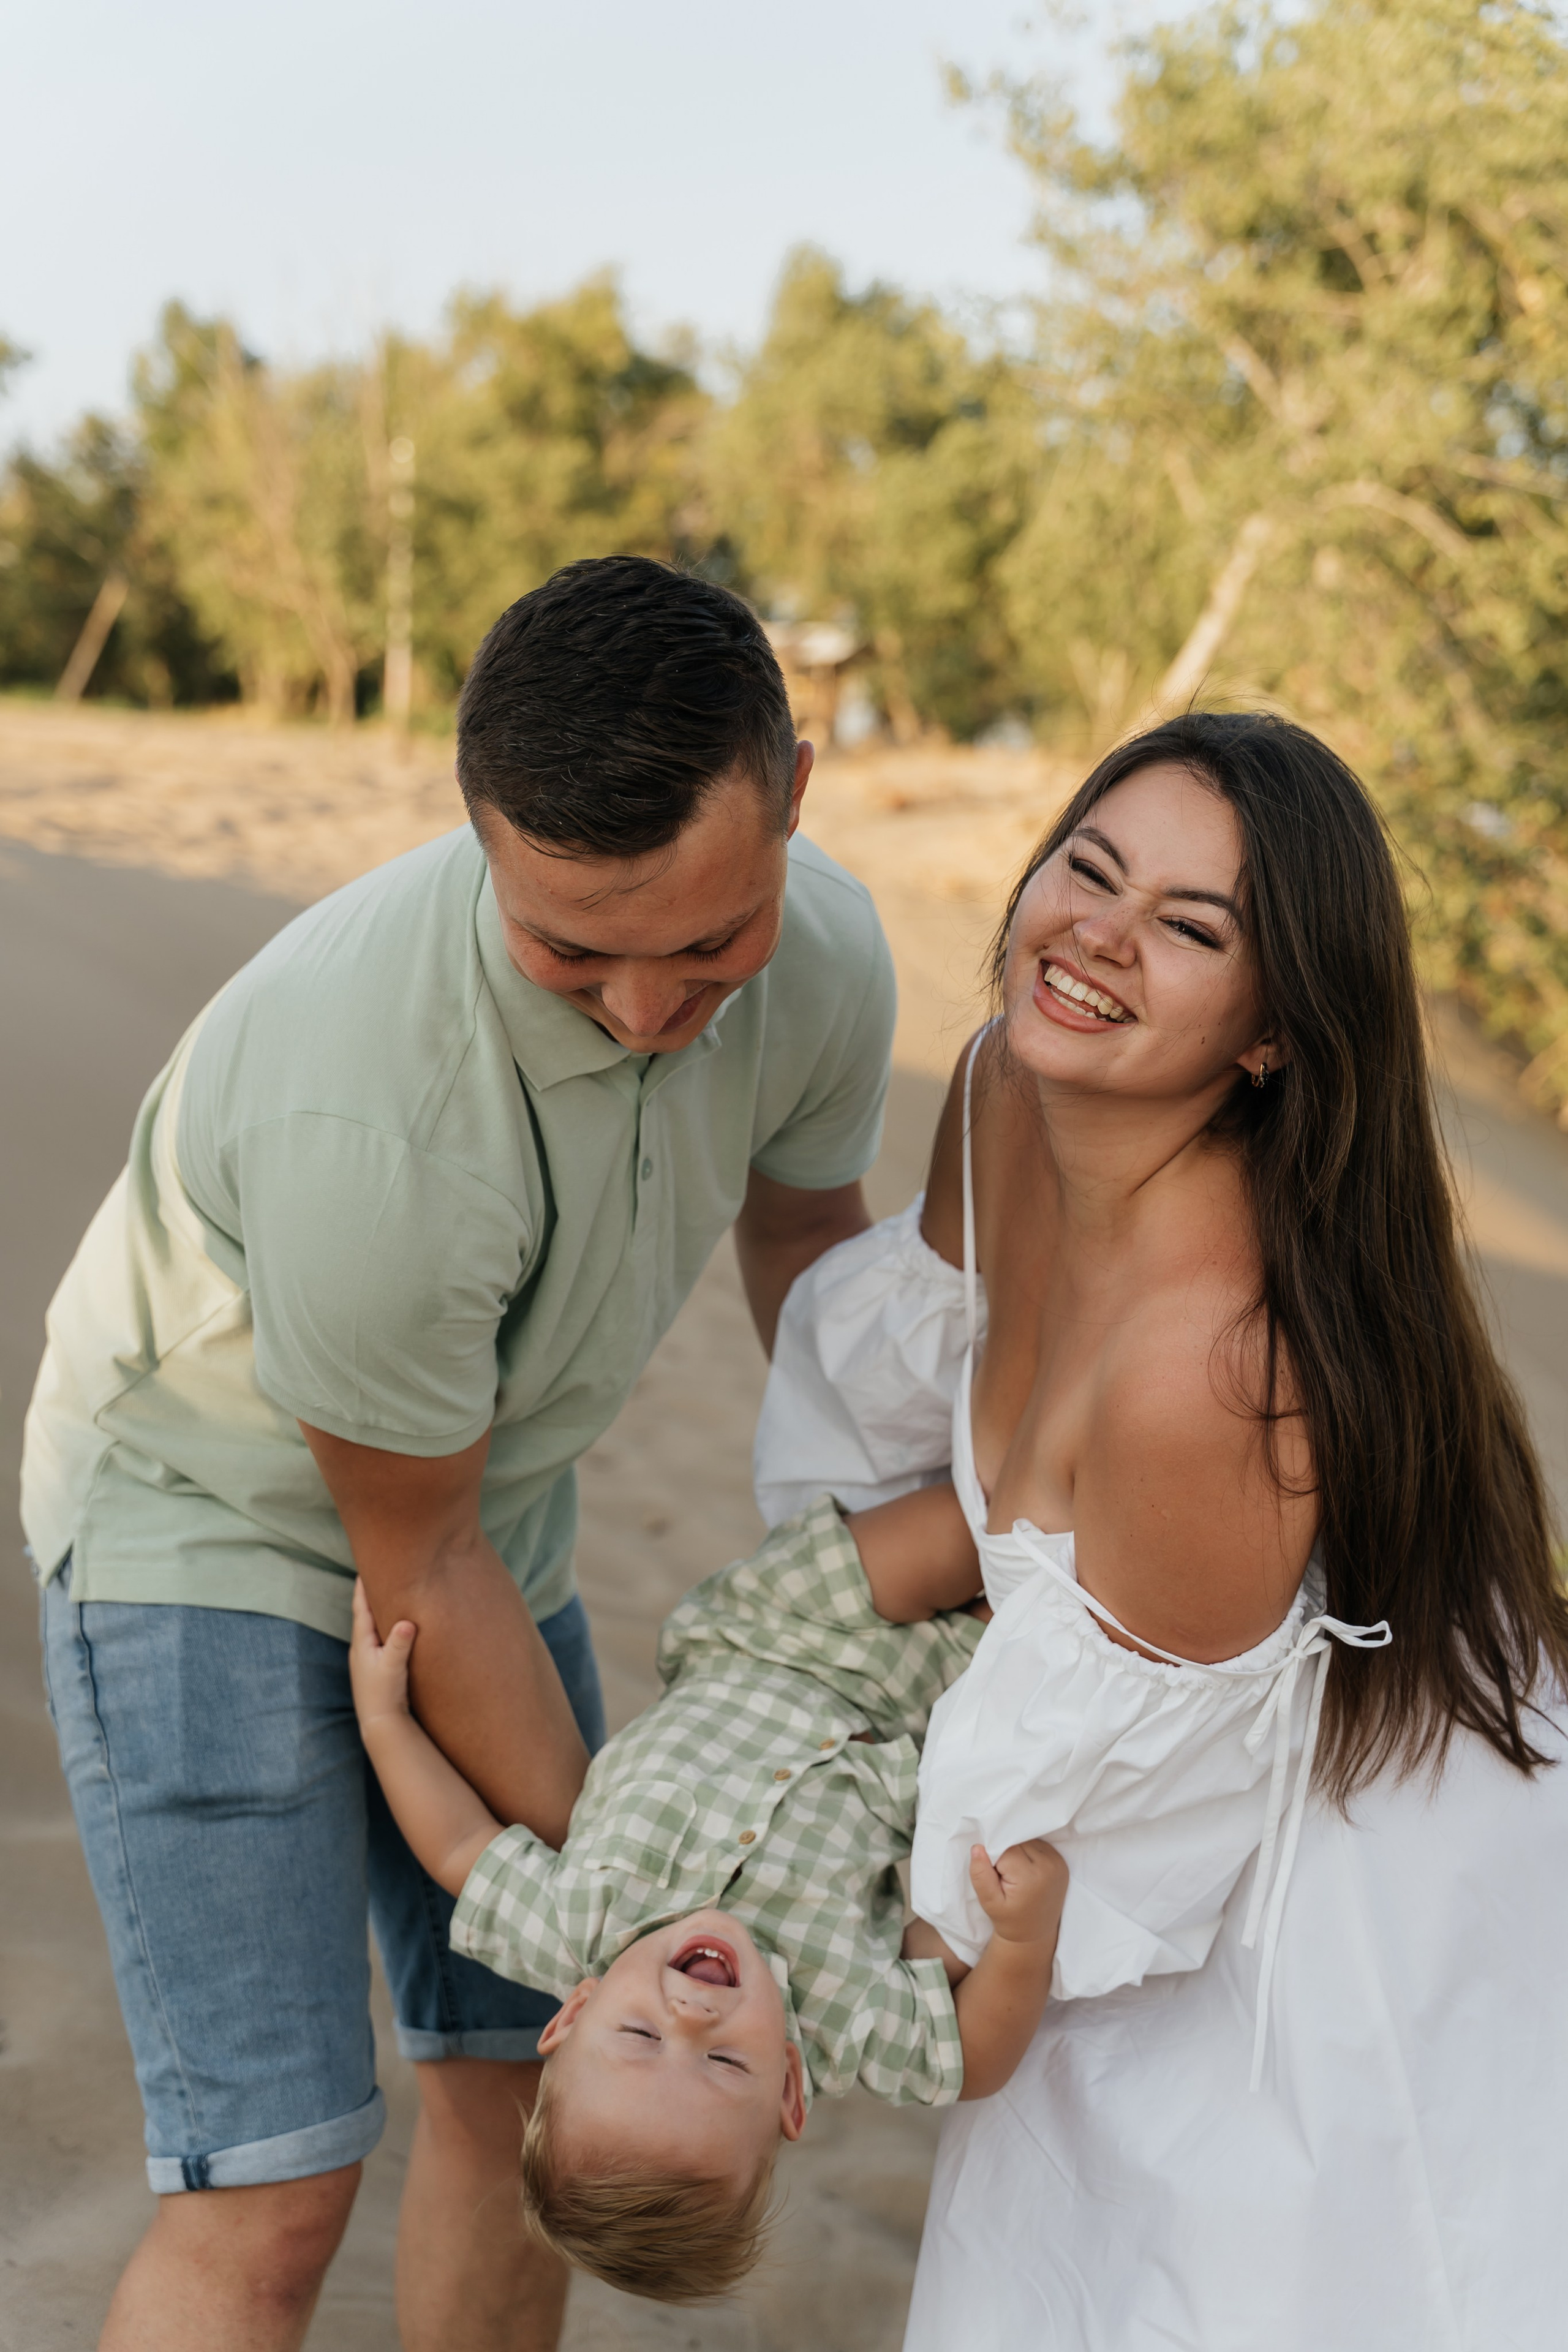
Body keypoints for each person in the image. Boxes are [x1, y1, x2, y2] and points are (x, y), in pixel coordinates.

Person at [22, 556, 900, 2352]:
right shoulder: (376, 1114)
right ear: (480, 834)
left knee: (521, 2085)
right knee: (272, 2182)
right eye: (571, 951)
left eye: (708, 946)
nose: (647, 1011)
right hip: (201, 1533)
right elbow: (416, 1562)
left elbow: (811, 1242)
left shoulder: (828, 958)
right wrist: (657, 1895)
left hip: (495, 1516)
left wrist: (912, 1571)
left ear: (795, 795)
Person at [753, 711, 1568, 2349]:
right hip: (1115, 1825)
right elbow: (945, 1487)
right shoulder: (1001, 1086)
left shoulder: (1211, 1377)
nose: (1097, 939)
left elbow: (1069, 1858)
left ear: (1271, 1036)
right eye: (1089, 867)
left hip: (1318, 1908)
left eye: (1190, 928)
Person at [347, 1495, 1066, 2305]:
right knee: (1057, 1587)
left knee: (986, 1525)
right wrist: (1022, 1941)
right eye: (725, 2061)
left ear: (574, 2014)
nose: (691, 2017)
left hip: (777, 1624)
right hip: (920, 1703)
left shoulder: (572, 1924)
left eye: (640, 2034)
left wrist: (383, 1724)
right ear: (788, 2089)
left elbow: (456, 1846)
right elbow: (972, 2059)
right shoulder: (840, 2025)